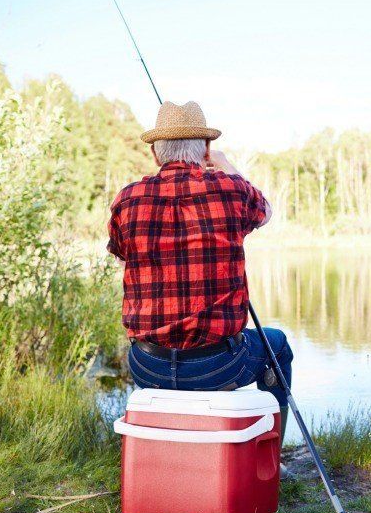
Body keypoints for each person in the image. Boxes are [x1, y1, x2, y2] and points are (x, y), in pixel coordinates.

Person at [107, 101, 294, 449]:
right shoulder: (231, 189)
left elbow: (121, 256)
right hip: (219, 366)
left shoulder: (127, 199)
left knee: (266, 342)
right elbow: (265, 211)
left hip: (148, 365)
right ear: (206, 149)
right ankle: (272, 454)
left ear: (154, 152)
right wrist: (225, 166)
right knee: (277, 345)